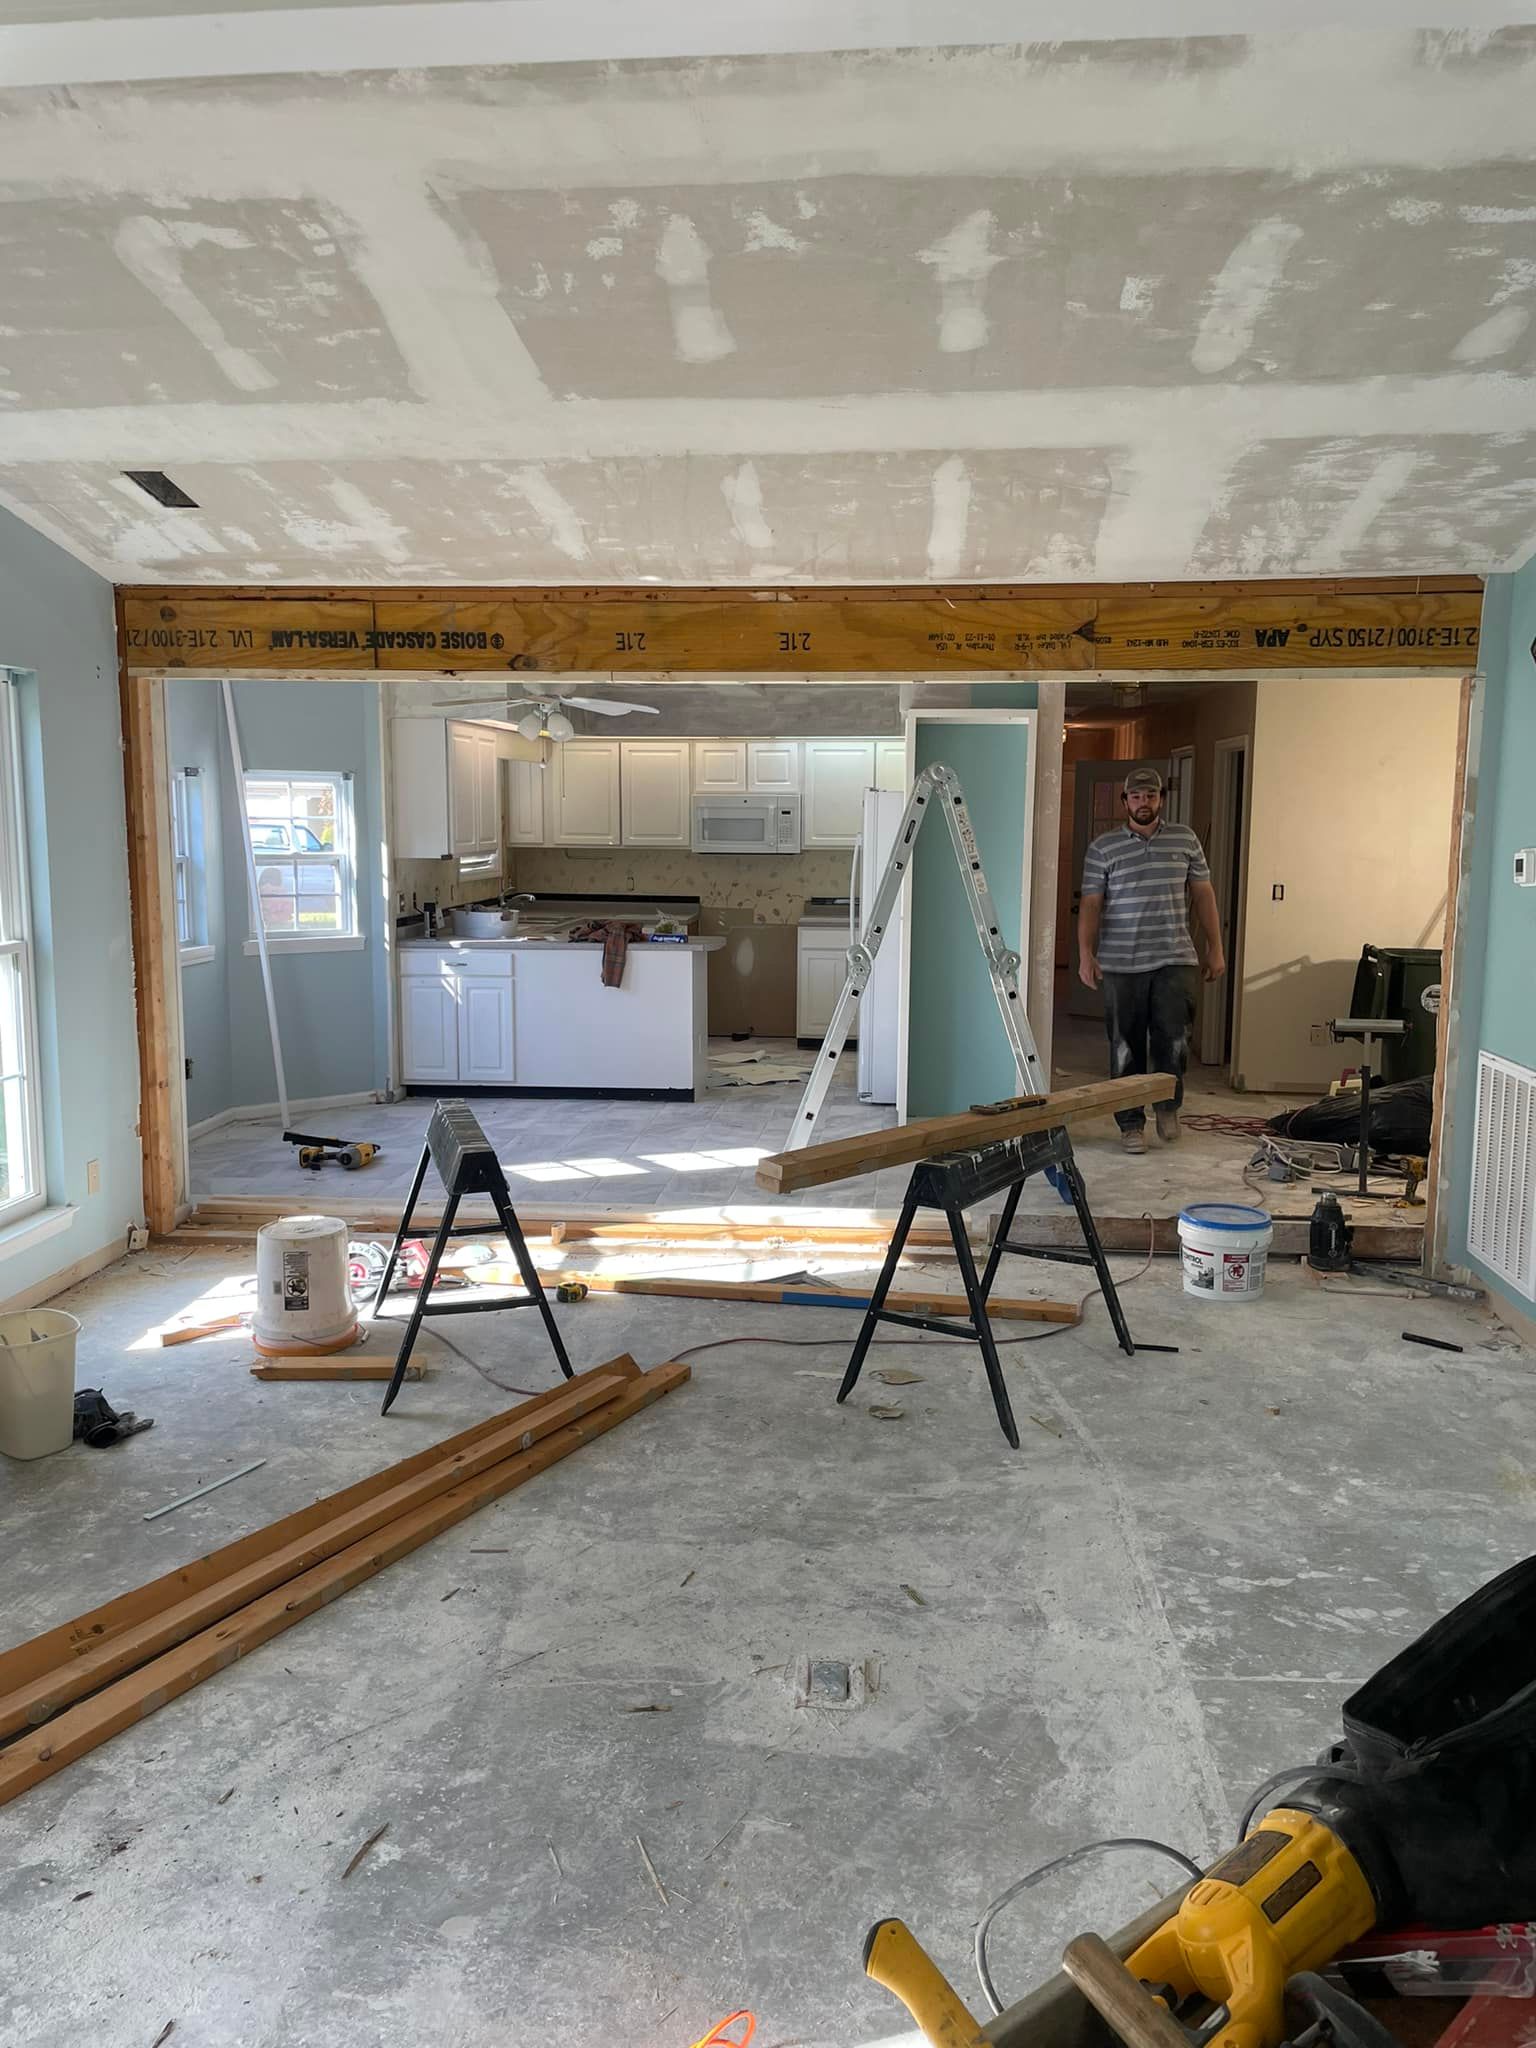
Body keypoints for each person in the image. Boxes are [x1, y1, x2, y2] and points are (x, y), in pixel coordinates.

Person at [1078, 767, 1225, 1154]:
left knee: (1173, 1039)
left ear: (1161, 798)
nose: (1144, 803)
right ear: (1125, 801)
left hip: (1174, 957)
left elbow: (1204, 894)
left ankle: (1167, 1107)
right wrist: (1085, 954)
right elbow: (1092, 904)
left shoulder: (1185, 839)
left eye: (1151, 796)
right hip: (1121, 962)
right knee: (1125, 1044)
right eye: (1136, 797)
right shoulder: (1103, 847)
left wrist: (1215, 947)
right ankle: (1130, 1124)